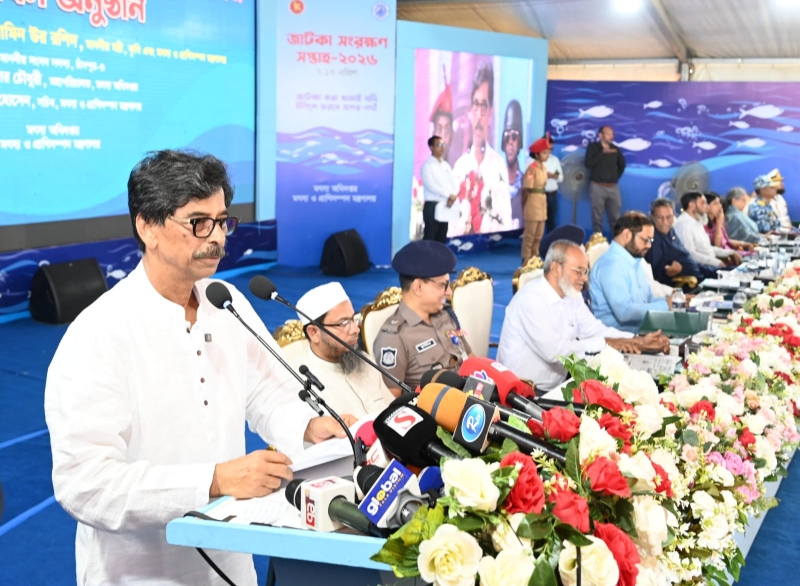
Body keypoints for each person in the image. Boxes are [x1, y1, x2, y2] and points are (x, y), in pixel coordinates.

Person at [44, 151, 350, 586]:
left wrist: (308, 428)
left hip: (231, 556)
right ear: (147, 227)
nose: (217, 238)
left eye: (222, 221)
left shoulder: (226, 301)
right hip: (141, 572)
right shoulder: (98, 334)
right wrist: (213, 480)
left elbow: (265, 391)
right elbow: (85, 484)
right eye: (198, 222)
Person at [498, 240, 669, 393]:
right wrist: (608, 343)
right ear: (556, 268)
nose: (584, 278)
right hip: (524, 393)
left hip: (560, 384)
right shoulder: (531, 299)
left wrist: (637, 340)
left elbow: (593, 329)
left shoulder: (570, 292)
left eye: (585, 271)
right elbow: (556, 353)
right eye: (579, 271)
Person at [373, 240, 473, 392]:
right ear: (418, 287)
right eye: (443, 285)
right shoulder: (395, 337)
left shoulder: (446, 315)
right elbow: (391, 400)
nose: (449, 292)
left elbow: (470, 358)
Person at [292, 283, 399, 417]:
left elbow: (393, 411)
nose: (355, 329)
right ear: (314, 333)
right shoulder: (299, 384)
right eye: (343, 323)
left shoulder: (364, 360)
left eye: (353, 319)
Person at [452, 62, 512, 234]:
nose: (479, 115)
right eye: (475, 105)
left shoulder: (498, 165)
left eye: (483, 106)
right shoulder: (460, 166)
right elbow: (451, 222)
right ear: (470, 111)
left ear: (490, 113)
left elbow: (506, 220)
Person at [589, 212, 671, 333]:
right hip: (619, 339)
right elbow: (624, 312)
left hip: (640, 332)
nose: (649, 245)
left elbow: (648, 300)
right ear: (626, 234)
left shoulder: (635, 261)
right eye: (645, 240)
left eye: (651, 240)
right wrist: (666, 305)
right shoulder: (612, 265)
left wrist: (672, 301)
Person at [646, 198, 718, 286]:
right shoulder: (654, 238)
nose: (665, 222)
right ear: (652, 217)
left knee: (729, 272)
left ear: (674, 215)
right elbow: (656, 272)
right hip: (690, 284)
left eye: (669, 217)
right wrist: (669, 272)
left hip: (700, 272)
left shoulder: (671, 230)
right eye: (660, 218)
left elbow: (685, 257)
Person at [673, 191, 739, 268]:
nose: (707, 207)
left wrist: (731, 252)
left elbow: (707, 249)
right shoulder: (684, 225)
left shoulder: (697, 221)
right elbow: (690, 254)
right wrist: (717, 262)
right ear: (692, 206)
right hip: (699, 268)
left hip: (710, 265)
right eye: (703, 203)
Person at [584, 125, 626, 235]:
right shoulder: (593, 147)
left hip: (613, 187)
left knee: (616, 218)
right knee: (597, 218)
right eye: (608, 134)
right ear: (600, 135)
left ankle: (616, 242)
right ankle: (598, 242)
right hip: (597, 186)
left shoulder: (615, 149)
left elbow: (622, 165)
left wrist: (615, 177)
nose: (611, 136)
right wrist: (602, 153)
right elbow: (588, 164)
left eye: (612, 134)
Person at [420, 134, 458, 242]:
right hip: (432, 205)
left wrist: (453, 195)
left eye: (443, 145)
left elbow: (452, 182)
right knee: (430, 236)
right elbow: (431, 186)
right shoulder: (427, 165)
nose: (442, 148)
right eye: (438, 145)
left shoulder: (446, 165)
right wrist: (448, 195)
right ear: (431, 147)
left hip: (445, 204)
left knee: (442, 236)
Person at [520, 135, 550, 263]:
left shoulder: (543, 168)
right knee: (530, 235)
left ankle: (535, 256)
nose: (547, 155)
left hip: (542, 202)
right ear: (537, 155)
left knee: (539, 235)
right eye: (544, 153)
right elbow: (526, 189)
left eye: (548, 152)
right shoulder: (532, 169)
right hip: (533, 202)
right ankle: (526, 258)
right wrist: (524, 205)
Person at [502, 100, 525, 229]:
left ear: (520, 142)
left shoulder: (526, 182)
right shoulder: (495, 180)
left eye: (515, 137)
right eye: (507, 137)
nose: (510, 142)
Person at [430, 74, 453, 162]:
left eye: (447, 131)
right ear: (433, 135)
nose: (442, 138)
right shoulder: (426, 169)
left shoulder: (459, 168)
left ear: (452, 135)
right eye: (439, 130)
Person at [544, 134, 564, 234]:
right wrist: (544, 175)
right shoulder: (533, 159)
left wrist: (553, 176)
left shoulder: (555, 160)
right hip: (539, 195)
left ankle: (550, 242)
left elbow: (561, 178)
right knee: (537, 223)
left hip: (552, 195)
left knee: (552, 222)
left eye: (551, 149)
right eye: (547, 148)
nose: (549, 151)